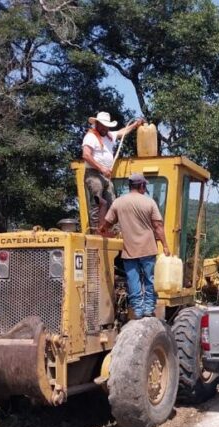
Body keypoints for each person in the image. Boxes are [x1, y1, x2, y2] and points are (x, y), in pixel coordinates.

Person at [100, 173, 171, 318]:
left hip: (129, 250)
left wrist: (101, 230)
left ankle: (138, 310)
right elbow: (158, 226)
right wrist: (165, 245)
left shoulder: (119, 202)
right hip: (148, 248)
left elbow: (107, 223)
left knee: (133, 280)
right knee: (149, 279)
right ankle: (148, 308)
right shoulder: (149, 203)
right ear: (142, 186)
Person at [82, 111, 145, 231]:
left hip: (105, 175)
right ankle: (95, 230)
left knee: (112, 202)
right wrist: (101, 168)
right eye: (104, 126)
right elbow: (86, 155)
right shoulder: (91, 137)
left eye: (107, 126)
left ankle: (114, 230)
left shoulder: (109, 136)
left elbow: (122, 132)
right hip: (94, 174)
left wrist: (135, 125)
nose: (106, 128)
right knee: (97, 201)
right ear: (97, 124)